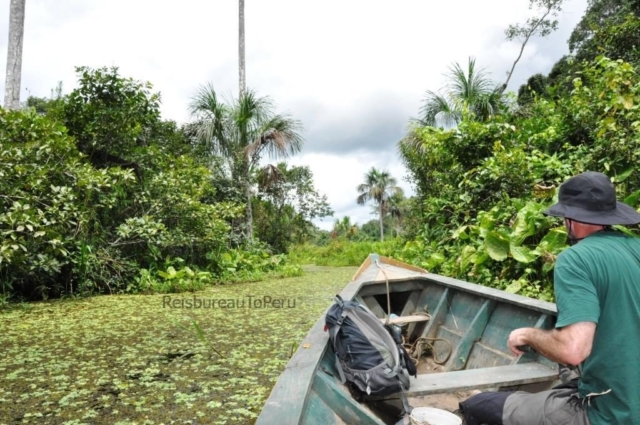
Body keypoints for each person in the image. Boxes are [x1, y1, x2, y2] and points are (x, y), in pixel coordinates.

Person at [459, 171, 640, 425]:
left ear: (570, 220)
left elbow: (573, 350)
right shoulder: (635, 247)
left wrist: (527, 335)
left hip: (609, 415)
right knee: (567, 374)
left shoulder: (576, 258)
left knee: (478, 405)